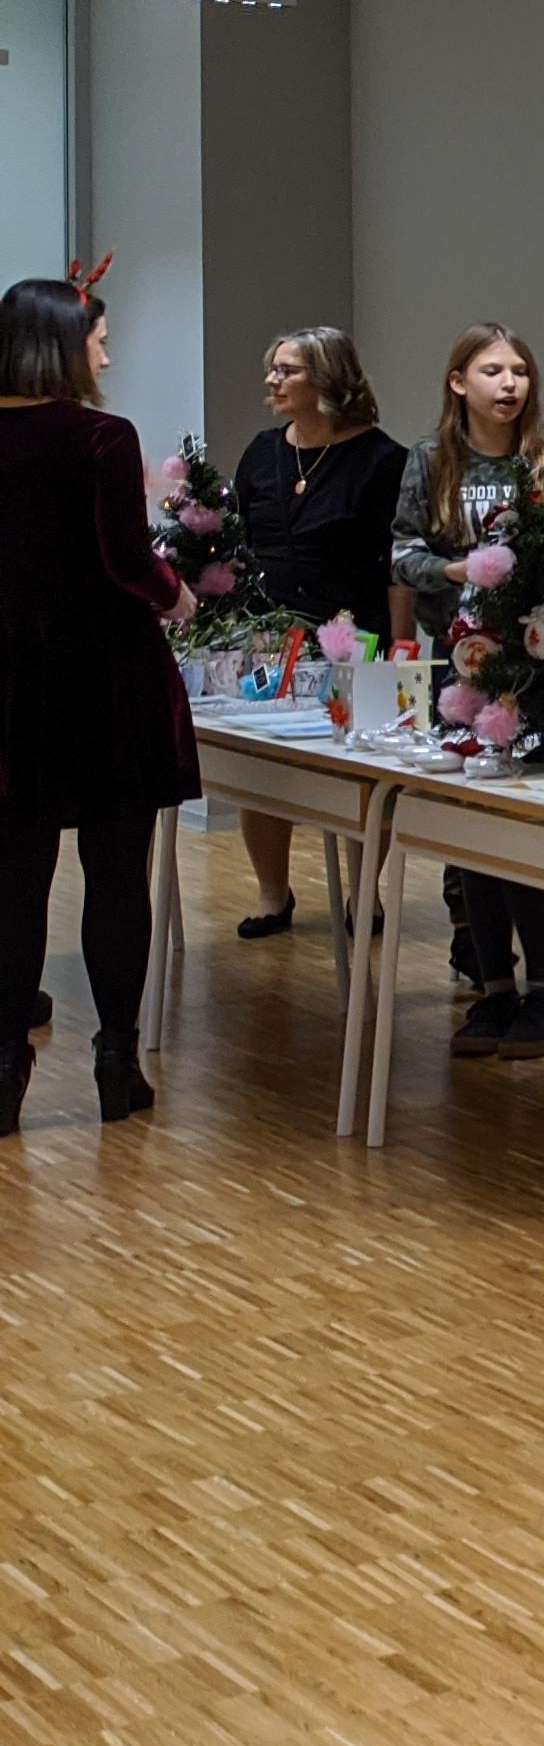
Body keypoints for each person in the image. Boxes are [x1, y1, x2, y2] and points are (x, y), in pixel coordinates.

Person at [392, 325, 544, 1065]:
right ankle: (494, 988)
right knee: (471, 831)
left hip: (543, 666)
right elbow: (403, 554)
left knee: (526, 831)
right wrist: (461, 572)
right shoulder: (432, 459)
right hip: (464, 665)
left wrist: (538, 556)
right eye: (492, 370)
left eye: (520, 370)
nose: (509, 383)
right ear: (459, 382)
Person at [0, 275, 191, 1133]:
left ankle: (5, 1068)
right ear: (61, 345)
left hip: (10, 687)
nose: (105, 358)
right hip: (105, 681)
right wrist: (178, 595)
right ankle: (117, 1062)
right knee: (116, 876)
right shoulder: (101, 437)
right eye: (98, 341)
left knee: (13, 882)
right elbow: (124, 559)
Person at [222, 326, 405, 935]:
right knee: (261, 766)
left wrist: (401, 647)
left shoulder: (382, 460)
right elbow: (239, 545)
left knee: (362, 772)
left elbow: (396, 564)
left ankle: (364, 897)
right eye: (273, 369)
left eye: (287, 370)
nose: (272, 381)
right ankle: (273, 895)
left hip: (359, 637)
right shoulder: (261, 452)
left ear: (327, 378)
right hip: (268, 639)